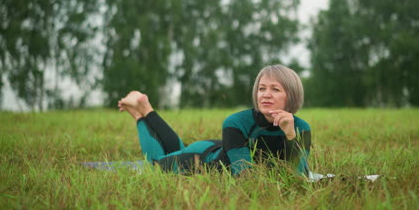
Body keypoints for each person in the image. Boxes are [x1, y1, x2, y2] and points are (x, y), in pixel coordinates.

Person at [118, 64, 311, 176]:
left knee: (174, 150)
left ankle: (145, 109)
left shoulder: (301, 128)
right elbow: (243, 175)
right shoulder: (236, 122)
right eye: (262, 88)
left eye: (275, 89)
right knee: (153, 165)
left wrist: (290, 135)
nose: (265, 95)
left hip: (217, 147)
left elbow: (299, 175)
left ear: (291, 96)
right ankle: (139, 113)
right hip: (200, 160)